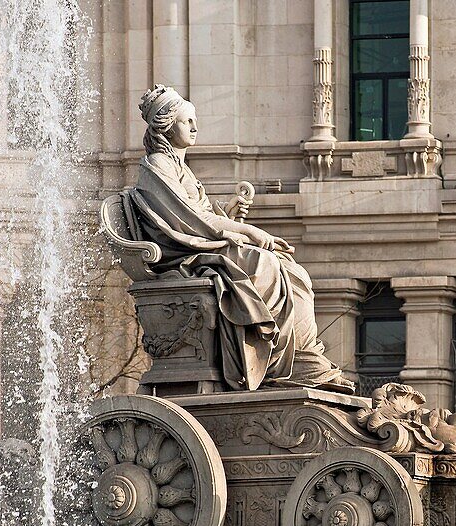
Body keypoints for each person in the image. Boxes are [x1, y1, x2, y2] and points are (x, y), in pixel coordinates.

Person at [130, 84, 354, 393]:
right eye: (187, 122)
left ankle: (302, 357)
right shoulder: (158, 166)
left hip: (202, 247)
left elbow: (203, 215)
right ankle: (281, 364)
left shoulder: (180, 168)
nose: (196, 128)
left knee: (294, 271)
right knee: (266, 266)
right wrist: (252, 232)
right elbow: (190, 221)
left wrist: (230, 216)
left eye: (195, 120)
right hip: (186, 257)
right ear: (166, 125)